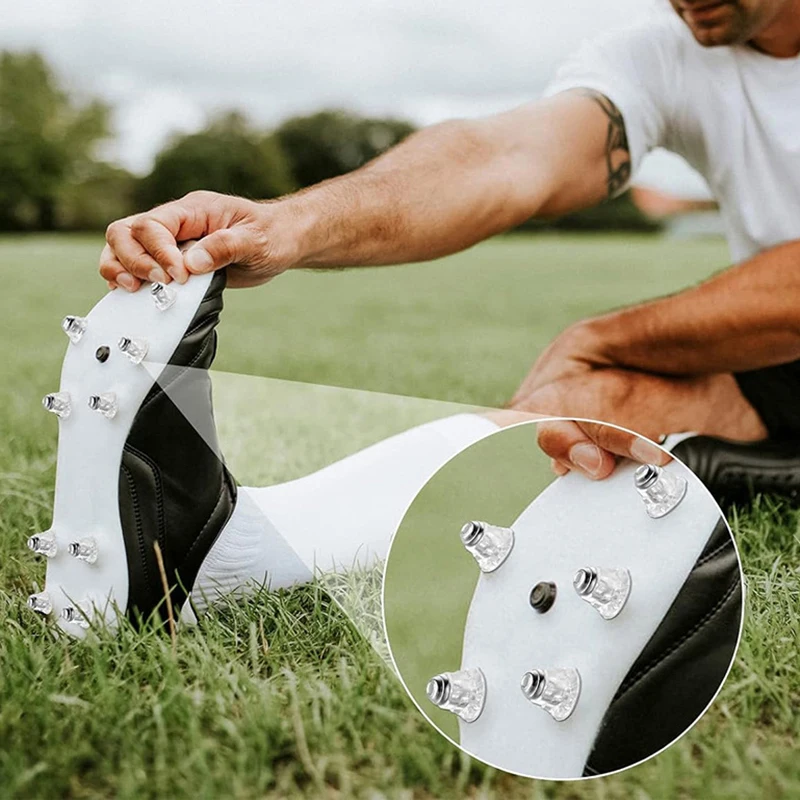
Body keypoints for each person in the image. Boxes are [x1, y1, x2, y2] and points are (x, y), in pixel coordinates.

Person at [99, 0, 800, 481]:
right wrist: (288, 224)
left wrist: (607, 336)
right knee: (565, 424)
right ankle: (243, 557)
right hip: (776, 357)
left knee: (592, 384)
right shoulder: (667, 53)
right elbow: (503, 159)